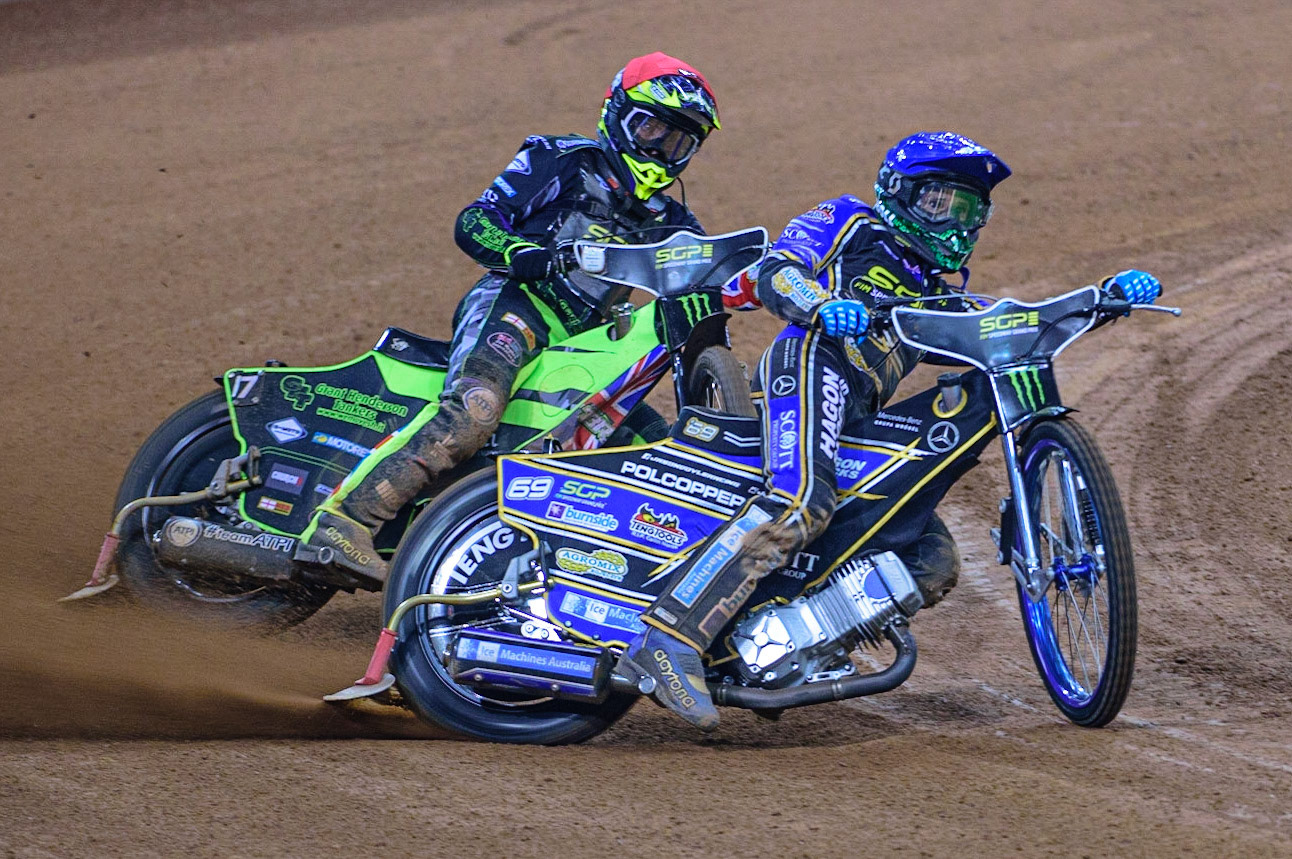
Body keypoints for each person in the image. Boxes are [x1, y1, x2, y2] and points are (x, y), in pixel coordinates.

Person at [621, 131, 1163, 730]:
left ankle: (784, 644)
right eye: (940, 202)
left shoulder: (938, 293)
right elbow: (779, 269)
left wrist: (1100, 302)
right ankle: (668, 638)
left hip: (858, 410)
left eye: (969, 209)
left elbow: (1003, 330)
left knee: (930, 555)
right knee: (802, 500)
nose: (955, 222)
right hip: (811, 362)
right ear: (898, 192)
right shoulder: (849, 220)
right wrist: (821, 305)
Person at [302, 52, 722, 583]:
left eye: (679, 141)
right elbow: (476, 220)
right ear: (617, 114)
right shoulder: (564, 160)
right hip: (517, 305)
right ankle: (344, 521)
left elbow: (709, 270)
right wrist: (518, 251)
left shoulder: (675, 223)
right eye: (652, 128)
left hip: (585, 348)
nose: (661, 148)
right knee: (474, 411)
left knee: (652, 445)